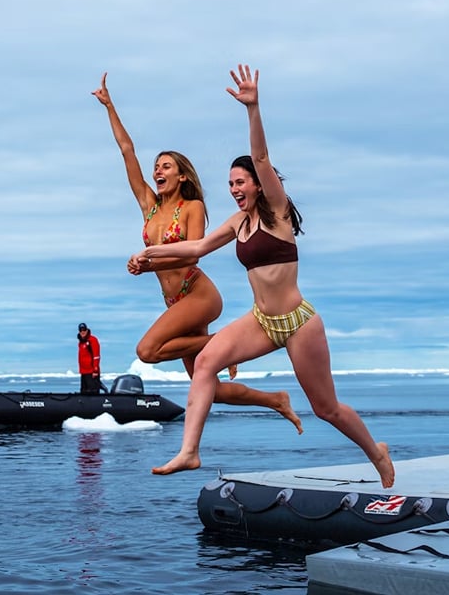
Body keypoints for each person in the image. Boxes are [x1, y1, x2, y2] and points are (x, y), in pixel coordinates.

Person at [131, 64, 394, 487]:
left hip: (298, 323)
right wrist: (149, 254)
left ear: (258, 184)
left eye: (240, 182)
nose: (235, 189)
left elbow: (262, 157)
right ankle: (190, 452)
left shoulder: (277, 213)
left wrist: (253, 108)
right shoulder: (239, 222)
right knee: (204, 365)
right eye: (230, 184)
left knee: (326, 408)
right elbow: (196, 248)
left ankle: (374, 451)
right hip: (261, 321)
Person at [91, 72, 302, 432]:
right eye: (156, 166)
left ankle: (223, 344)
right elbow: (127, 151)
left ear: (182, 176)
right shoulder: (149, 206)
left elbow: (193, 255)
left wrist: (149, 259)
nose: (158, 170)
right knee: (207, 386)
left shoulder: (192, 207)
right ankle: (274, 399)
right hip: (174, 302)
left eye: (166, 166)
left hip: (198, 294)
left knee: (148, 351)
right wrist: (110, 106)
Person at [77, 323, 102, 393]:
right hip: (83, 372)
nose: (82, 332)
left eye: (84, 330)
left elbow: (96, 356)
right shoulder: (81, 343)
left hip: (91, 372)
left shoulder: (92, 340)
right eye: (81, 330)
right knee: (84, 392)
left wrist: (95, 370)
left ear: (87, 330)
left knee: (92, 392)